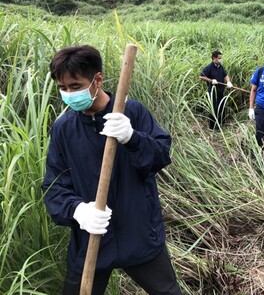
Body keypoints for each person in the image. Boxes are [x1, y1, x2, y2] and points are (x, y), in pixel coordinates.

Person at [41, 45, 182, 295]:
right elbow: (54, 186)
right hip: (91, 239)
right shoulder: (64, 128)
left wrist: (132, 137)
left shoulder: (131, 112)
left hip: (139, 232)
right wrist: (78, 211)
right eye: (63, 88)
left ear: (97, 79)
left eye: (75, 86)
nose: (69, 94)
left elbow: (160, 156)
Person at [199, 50, 233, 131]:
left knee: (221, 107)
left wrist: (228, 81)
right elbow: (201, 77)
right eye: (219, 58)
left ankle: (221, 124)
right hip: (213, 91)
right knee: (214, 108)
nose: (220, 60)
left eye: (221, 58)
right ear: (214, 58)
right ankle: (213, 127)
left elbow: (226, 75)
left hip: (221, 90)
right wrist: (211, 80)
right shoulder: (209, 67)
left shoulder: (220, 66)